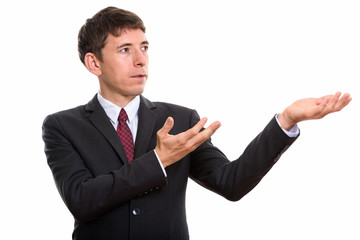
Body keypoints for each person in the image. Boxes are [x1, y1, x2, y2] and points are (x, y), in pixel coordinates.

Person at [42, 6, 352, 240]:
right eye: (125, 50)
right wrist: (159, 160)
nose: (141, 60)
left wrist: (285, 121)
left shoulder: (180, 119)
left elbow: (231, 183)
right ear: (94, 62)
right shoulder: (62, 126)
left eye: (144, 48)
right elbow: (82, 200)